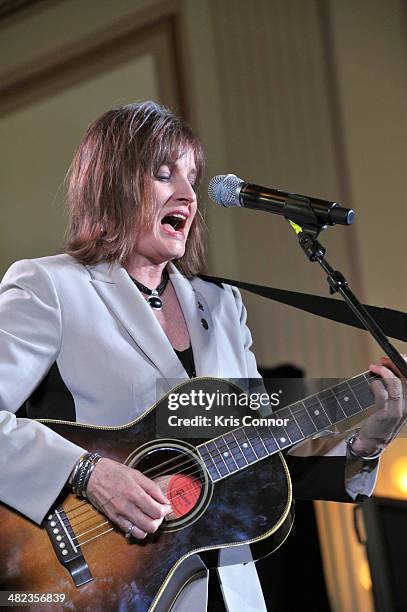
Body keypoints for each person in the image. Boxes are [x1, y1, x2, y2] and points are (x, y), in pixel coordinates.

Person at [0, 101, 406, 611]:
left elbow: (264, 449)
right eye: (164, 174)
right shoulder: (50, 286)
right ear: (113, 182)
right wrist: (89, 473)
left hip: (230, 594)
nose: (189, 196)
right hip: (94, 583)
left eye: (193, 179)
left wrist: (366, 444)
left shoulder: (222, 305)